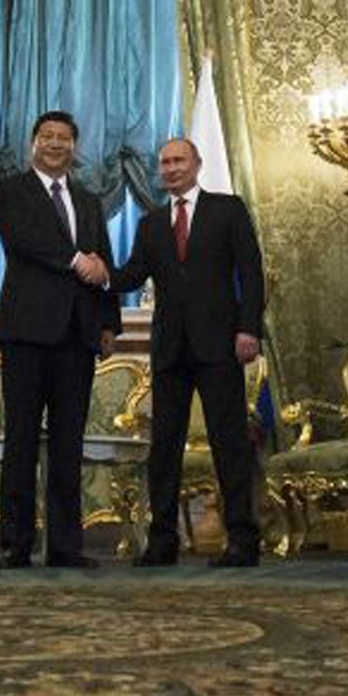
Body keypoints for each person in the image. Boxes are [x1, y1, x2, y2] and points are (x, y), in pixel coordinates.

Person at [110, 137, 266, 568]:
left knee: (229, 444)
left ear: (197, 164)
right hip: (171, 351)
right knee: (164, 448)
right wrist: (98, 270)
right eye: (164, 163)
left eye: (179, 160)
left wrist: (248, 329)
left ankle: (242, 540)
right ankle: (162, 542)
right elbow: (130, 275)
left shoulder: (227, 209)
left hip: (220, 346)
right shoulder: (151, 223)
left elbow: (251, 274)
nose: (171, 168)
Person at [0, 111, 120, 569]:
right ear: (33, 143)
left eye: (64, 138)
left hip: (76, 337)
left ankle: (65, 547)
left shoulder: (88, 200)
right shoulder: (10, 191)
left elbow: (101, 262)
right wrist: (74, 261)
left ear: (74, 147)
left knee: (69, 444)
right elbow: (25, 240)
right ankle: (15, 544)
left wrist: (108, 324)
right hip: (26, 334)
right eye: (47, 136)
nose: (56, 144)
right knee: (21, 440)